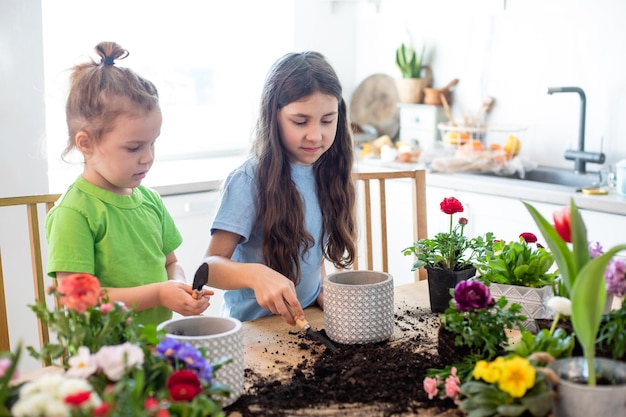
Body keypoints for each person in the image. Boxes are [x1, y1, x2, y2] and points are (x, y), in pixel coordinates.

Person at [46, 41, 213, 325]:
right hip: (106, 360)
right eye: (134, 148)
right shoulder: (74, 213)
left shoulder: (150, 201)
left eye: (153, 144)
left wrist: (180, 288)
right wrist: (159, 294)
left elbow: (171, 263)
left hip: (158, 345)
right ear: (86, 144)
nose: (148, 158)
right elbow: (79, 300)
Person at [202, 51, 357, 325]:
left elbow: (309, 247)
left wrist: (318, 290)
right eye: (300, 121)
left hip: (304, 322)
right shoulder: (249, 180)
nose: (315, 135)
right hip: (253, 330)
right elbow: (209, 267)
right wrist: (255, 275)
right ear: (273, 116)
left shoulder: (325, 169)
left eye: (327, 120)